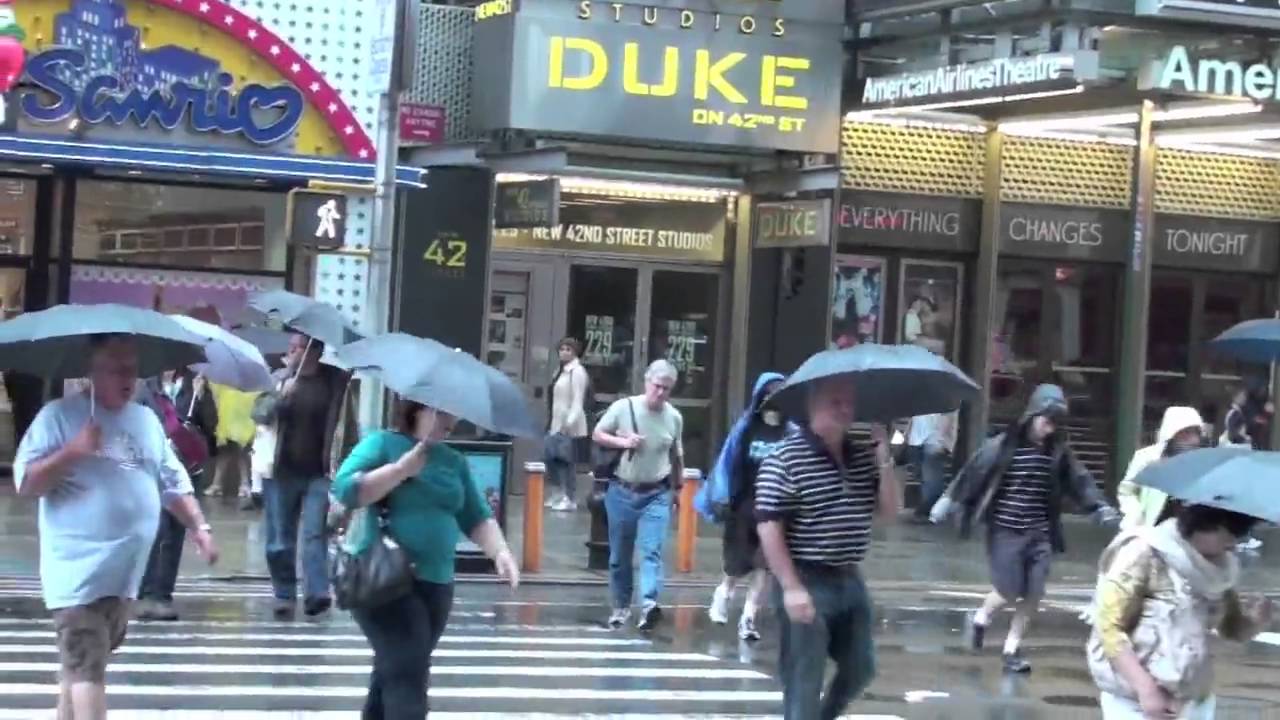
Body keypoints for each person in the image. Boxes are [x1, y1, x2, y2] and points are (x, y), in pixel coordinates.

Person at [13, 334, 219, 720]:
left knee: (80, 667)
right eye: (117, 368)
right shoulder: (59, 416)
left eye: (133, 369)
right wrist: (73, 452)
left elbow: (170, 482)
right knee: (87, 672)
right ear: (93, 370)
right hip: (78, 577)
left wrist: (199, 527)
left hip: (123, 578)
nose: (128, 378)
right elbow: (27, 483)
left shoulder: (145, 419)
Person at [333, 399, 519, 720]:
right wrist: (400, 470)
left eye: (455, 414)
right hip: (385, 579)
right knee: (407, 673)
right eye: (444, 411)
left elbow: (475, 515)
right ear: (420, 409)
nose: (452, 421)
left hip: (436, 583)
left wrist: (500, 552)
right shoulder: (382, 443)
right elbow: (346, 490)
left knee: (396, 668)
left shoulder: (452, 460)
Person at [931, 384, 1119, 674]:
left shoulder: (1058, 452)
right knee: (1007, 590)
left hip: (1039, 532)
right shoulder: (1003, 446)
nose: (1050, 428)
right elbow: (974, 471)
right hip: (1005, 530)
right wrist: (950, 499)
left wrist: (1099, 508)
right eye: (1046, 420)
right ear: (1032, 415)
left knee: (1033, 593)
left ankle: (1012, 649)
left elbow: (1080, 482)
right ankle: (981, 617)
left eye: (1055, 423)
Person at [755, 375, 901, 720]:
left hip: (849, 579)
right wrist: (790, 588)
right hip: (807, 578)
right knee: (804, 682)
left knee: (861, 669)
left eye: (850, 402)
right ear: (813, 405)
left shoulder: (860, 456)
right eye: (836, 401)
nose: (845, 409)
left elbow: (889, 512)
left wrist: (884, 457)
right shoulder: (786, 457)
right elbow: (768, 523)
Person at [1088, 504, 1272, 719]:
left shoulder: (1221, 568)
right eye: (1229, 535)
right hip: (1136, 700)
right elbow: (1109, 627)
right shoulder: (1143, 552)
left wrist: (1257, 621)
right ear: (1206, 525)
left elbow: (1232, 629)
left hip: (1192, 697)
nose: (1232, 544)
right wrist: (1146, 689)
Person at [252, 332, 356, 619]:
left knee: (314, 532)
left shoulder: (336, 383)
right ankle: (284, 593)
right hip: (281, 470)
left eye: (297, 347)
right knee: (279, 538)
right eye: (291, 347)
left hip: (319, 473)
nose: (292, 352)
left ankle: (316, 592)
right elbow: (259, 414)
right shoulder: (280, 379)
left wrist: (346, 469)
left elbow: (347, 428)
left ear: (314, 351)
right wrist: (279, 399)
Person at [593, 359, 685, 632]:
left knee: (651, 551)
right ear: (647, 382)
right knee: (619, 555)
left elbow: (677, 456)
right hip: (622, 490)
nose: (661, 393)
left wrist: (678, 489)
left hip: (656, 492)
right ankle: (621, 606)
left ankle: (648, 605)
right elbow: (598, 434)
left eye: (667, 389)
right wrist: (624, 442)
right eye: (657, 386)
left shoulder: (674, 417)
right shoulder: (624, 408)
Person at [705, 371, 787, 642]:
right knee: (736, 565)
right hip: (744, 506)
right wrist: (725, 498)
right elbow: (729, 465)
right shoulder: (746, 429)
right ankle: (724, 594)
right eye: (769, 393)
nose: (774, 398)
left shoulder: (790, 432)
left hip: (774, 510)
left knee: (764, 566)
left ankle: (748, 619)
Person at [134, 368, 219, 621]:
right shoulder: (145, 387)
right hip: (153, 467)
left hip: (186, 464)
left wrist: (202, 401)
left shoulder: (196, 385)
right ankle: (144, 592)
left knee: (174, 534)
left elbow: (212, 425)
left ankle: (162, 594)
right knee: (155, 529)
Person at [1116, 406, 1204, 530]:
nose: (1193, 440)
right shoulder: (1147, 457)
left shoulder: (1201, 464)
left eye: (1196, 433)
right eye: (1187, 433)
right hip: (1149, 529)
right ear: (1172, 433)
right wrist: (1134, 516)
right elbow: (1127, 491)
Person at [544, 336, 589, 512]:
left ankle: (569, 498)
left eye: (568, 349)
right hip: (555, 422)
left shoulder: (577, 372)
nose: (564, 352)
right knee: (550, 457)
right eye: (562, 349)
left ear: (575, 352)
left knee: (566, 461)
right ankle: (557, 493)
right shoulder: (560, 370)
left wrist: (568, 423)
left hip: (568, 424)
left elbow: (578, 401)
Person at [905, 410, 957, 524]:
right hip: (916, 439)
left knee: (931, 479)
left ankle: (926, 511)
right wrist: (908, 431)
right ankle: (928, 510)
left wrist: (943, 437)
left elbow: (949, 412)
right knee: (923, 477)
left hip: (934, 440)